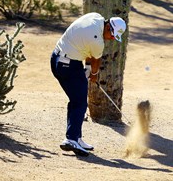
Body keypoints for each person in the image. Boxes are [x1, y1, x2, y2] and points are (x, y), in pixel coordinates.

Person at [50, 12, 126, 157]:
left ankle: (76, 137)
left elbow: (87, 52)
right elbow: (96, 61)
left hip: (58, 58)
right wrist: (94, 74)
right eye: (112, 35)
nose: (111, 39)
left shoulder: (96, 17)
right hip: (68, 65)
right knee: (79, 103)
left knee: (76, 101)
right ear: (109, 27)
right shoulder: (97, 42)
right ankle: (71, 139)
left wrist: (88, 69)